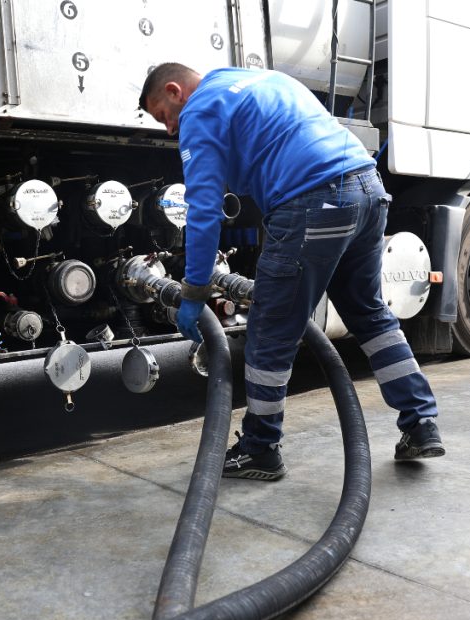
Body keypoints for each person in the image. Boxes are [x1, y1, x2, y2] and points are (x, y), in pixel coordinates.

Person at [139, 63, 444, 480]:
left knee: (271, 327)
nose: (170, 128)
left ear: (175, 91)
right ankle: (421, 422)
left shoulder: (199, 109)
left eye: (163, 115)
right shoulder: (263, 78)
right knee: (369, 312)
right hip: (368, 188)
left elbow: (204, 210)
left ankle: (260, 448)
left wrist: (194, 290)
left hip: (313, 201)